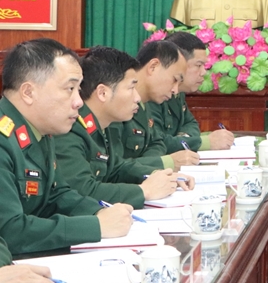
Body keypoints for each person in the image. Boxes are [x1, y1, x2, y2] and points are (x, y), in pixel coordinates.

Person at [0, 38, 133, 255]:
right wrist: (95, 227)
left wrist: (99, 212)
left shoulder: (39, 129)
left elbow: (57, 194)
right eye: (70, 88)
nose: (79, 101)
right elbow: (10, 231)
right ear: (28, 92)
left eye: (78, 89)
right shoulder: (4, 140)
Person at [55, 47, 195, 209]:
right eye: (131, 88)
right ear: (103, 93)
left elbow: (116, 168)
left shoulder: (101, 125)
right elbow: (83, 190)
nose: (137, 97)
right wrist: (143, 191)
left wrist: (159, 176)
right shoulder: (69, 129)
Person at [113, 41, 199, 171]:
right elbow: (114, 168)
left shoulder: (145, 103)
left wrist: (151, 164)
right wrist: (164, 163)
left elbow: (157, 143)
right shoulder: (116, 103)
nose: (175, 90)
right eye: (174, 80)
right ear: (153, 67)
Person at [151, 32, 235, 152]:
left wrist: (184, 138)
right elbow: (156, 143)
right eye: (199, 65)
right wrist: (204, 142)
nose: (203, 72)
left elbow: (190, 123)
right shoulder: (152, 94)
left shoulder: (178, 91)